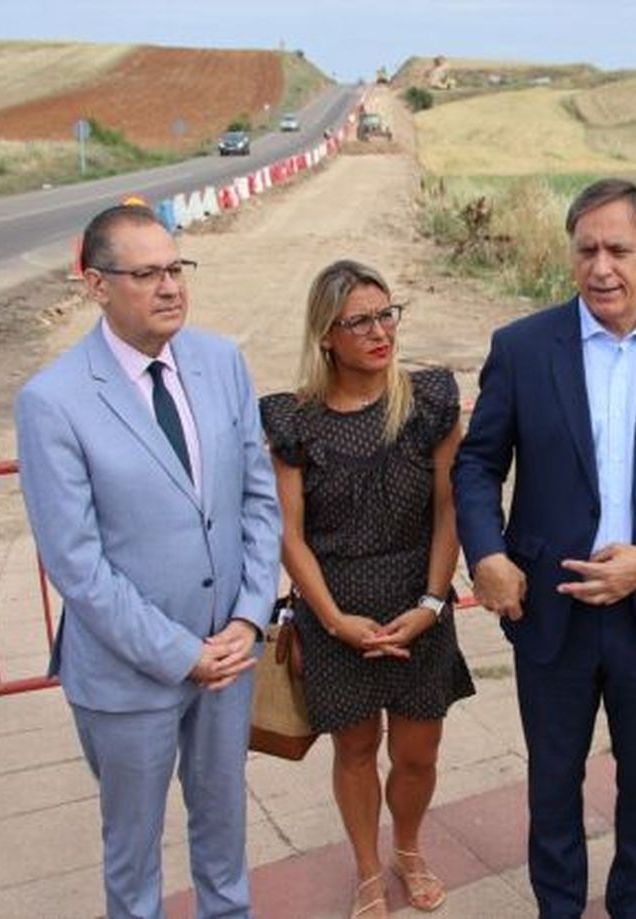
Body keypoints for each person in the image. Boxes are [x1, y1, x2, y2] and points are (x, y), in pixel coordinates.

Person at [453, 178, 636, 919]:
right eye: (586, 249)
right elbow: (477, 464)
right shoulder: (523, 348)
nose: (601, 267)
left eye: (618, 249)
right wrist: (486, 554)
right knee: (553, 783)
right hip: (549, 609)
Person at [15, 204, 281, 919]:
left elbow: (258, 501)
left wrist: (250, 617)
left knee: (225, 837)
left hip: (229, 659)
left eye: (175, 269)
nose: (169, 287)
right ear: (97, 285)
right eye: (146, 274)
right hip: (129, 675)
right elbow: (77, 565)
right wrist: (181, 653)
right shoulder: (52, 402)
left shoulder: (221, 362)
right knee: (133, 859)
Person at [260, 260, 474, 919]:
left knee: (417, 754)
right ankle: (366, 868)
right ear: (327, 334)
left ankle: (408, 848)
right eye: (360, 321)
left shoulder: (429, 402)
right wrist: (332, 619)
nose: (380, 332)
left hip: (419, 604)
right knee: (354, 752)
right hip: (336, 613)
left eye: (387, 315)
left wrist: (432, 602)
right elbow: (290, 534)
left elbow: (450, 508)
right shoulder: (295, 420)